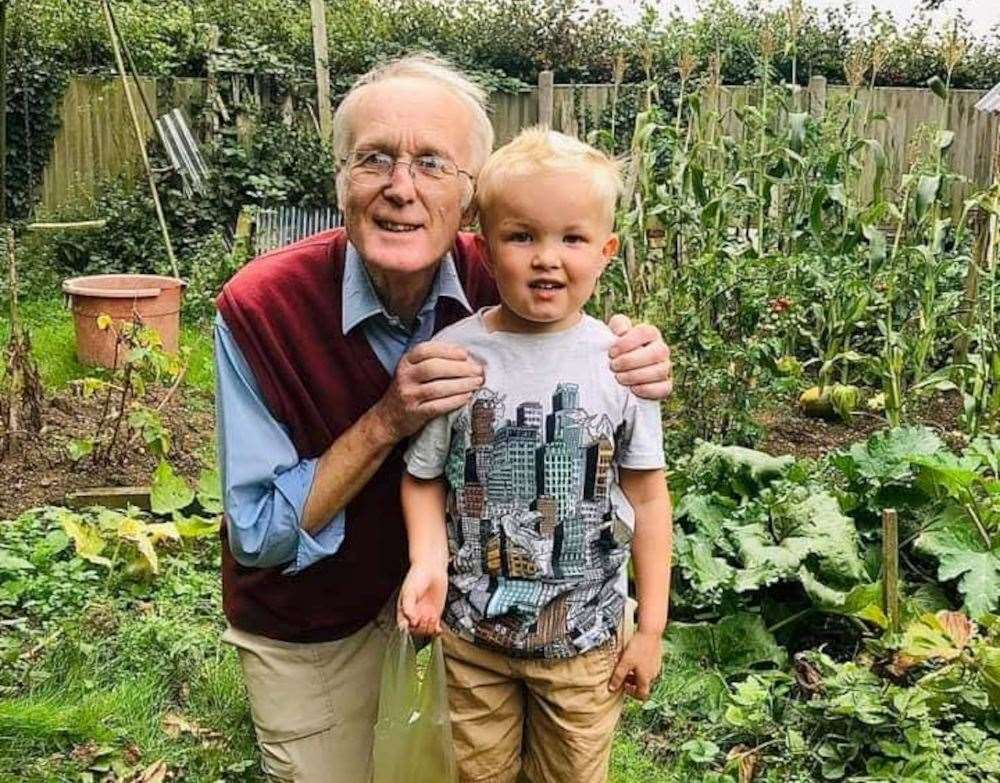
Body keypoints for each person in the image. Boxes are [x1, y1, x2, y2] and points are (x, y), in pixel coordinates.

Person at [214, 54, 673, 783]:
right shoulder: (261, 307)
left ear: (471, 201)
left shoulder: (516, 273)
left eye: (432, 162)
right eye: (374, 159)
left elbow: (591, 354)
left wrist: (635, 349)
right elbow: (259, 533)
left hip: (479, 615)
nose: (402, 187)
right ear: (340, 180)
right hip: (316, 614)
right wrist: (388, 417)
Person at [398, 127, 673, 783]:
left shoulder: (621, 365)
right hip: (472, 641)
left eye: (572, 238)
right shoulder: (460, 356)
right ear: (487, 249)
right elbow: (422, 478)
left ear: (606, 251)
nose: (548, 258)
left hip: (585, 646)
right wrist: (429, 560)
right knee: (474, 773)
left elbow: (648, 497)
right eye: (523, 236)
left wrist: (652, 628)